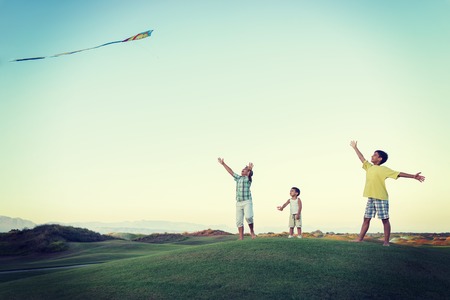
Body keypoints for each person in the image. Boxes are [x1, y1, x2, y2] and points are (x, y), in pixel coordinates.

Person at [350, 141, 425, 246]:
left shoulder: (384, 169)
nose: (372, 156)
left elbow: (398, 174)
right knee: (366, 218)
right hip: (371, 198)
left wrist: (413, 176)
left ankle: (386, 242)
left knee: (385, 220)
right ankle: (359, 239)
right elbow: (361, 157)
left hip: (381, 198)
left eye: (375, 155)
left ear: (380, 159)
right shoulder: (369, 167)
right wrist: (355, 148)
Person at [218, 158, 256, 240]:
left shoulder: (248, 179)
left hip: (247, 201)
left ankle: (252, 232)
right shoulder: (238, 178)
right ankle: (241, 238)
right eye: (242, 170)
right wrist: (223, 164)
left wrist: (250, 169)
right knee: (239, 221)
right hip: (238, 203)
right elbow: (230, 171)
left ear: (247, 172)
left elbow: (251, 174)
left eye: (244, 170)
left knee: (249, 217)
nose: (242, 171)